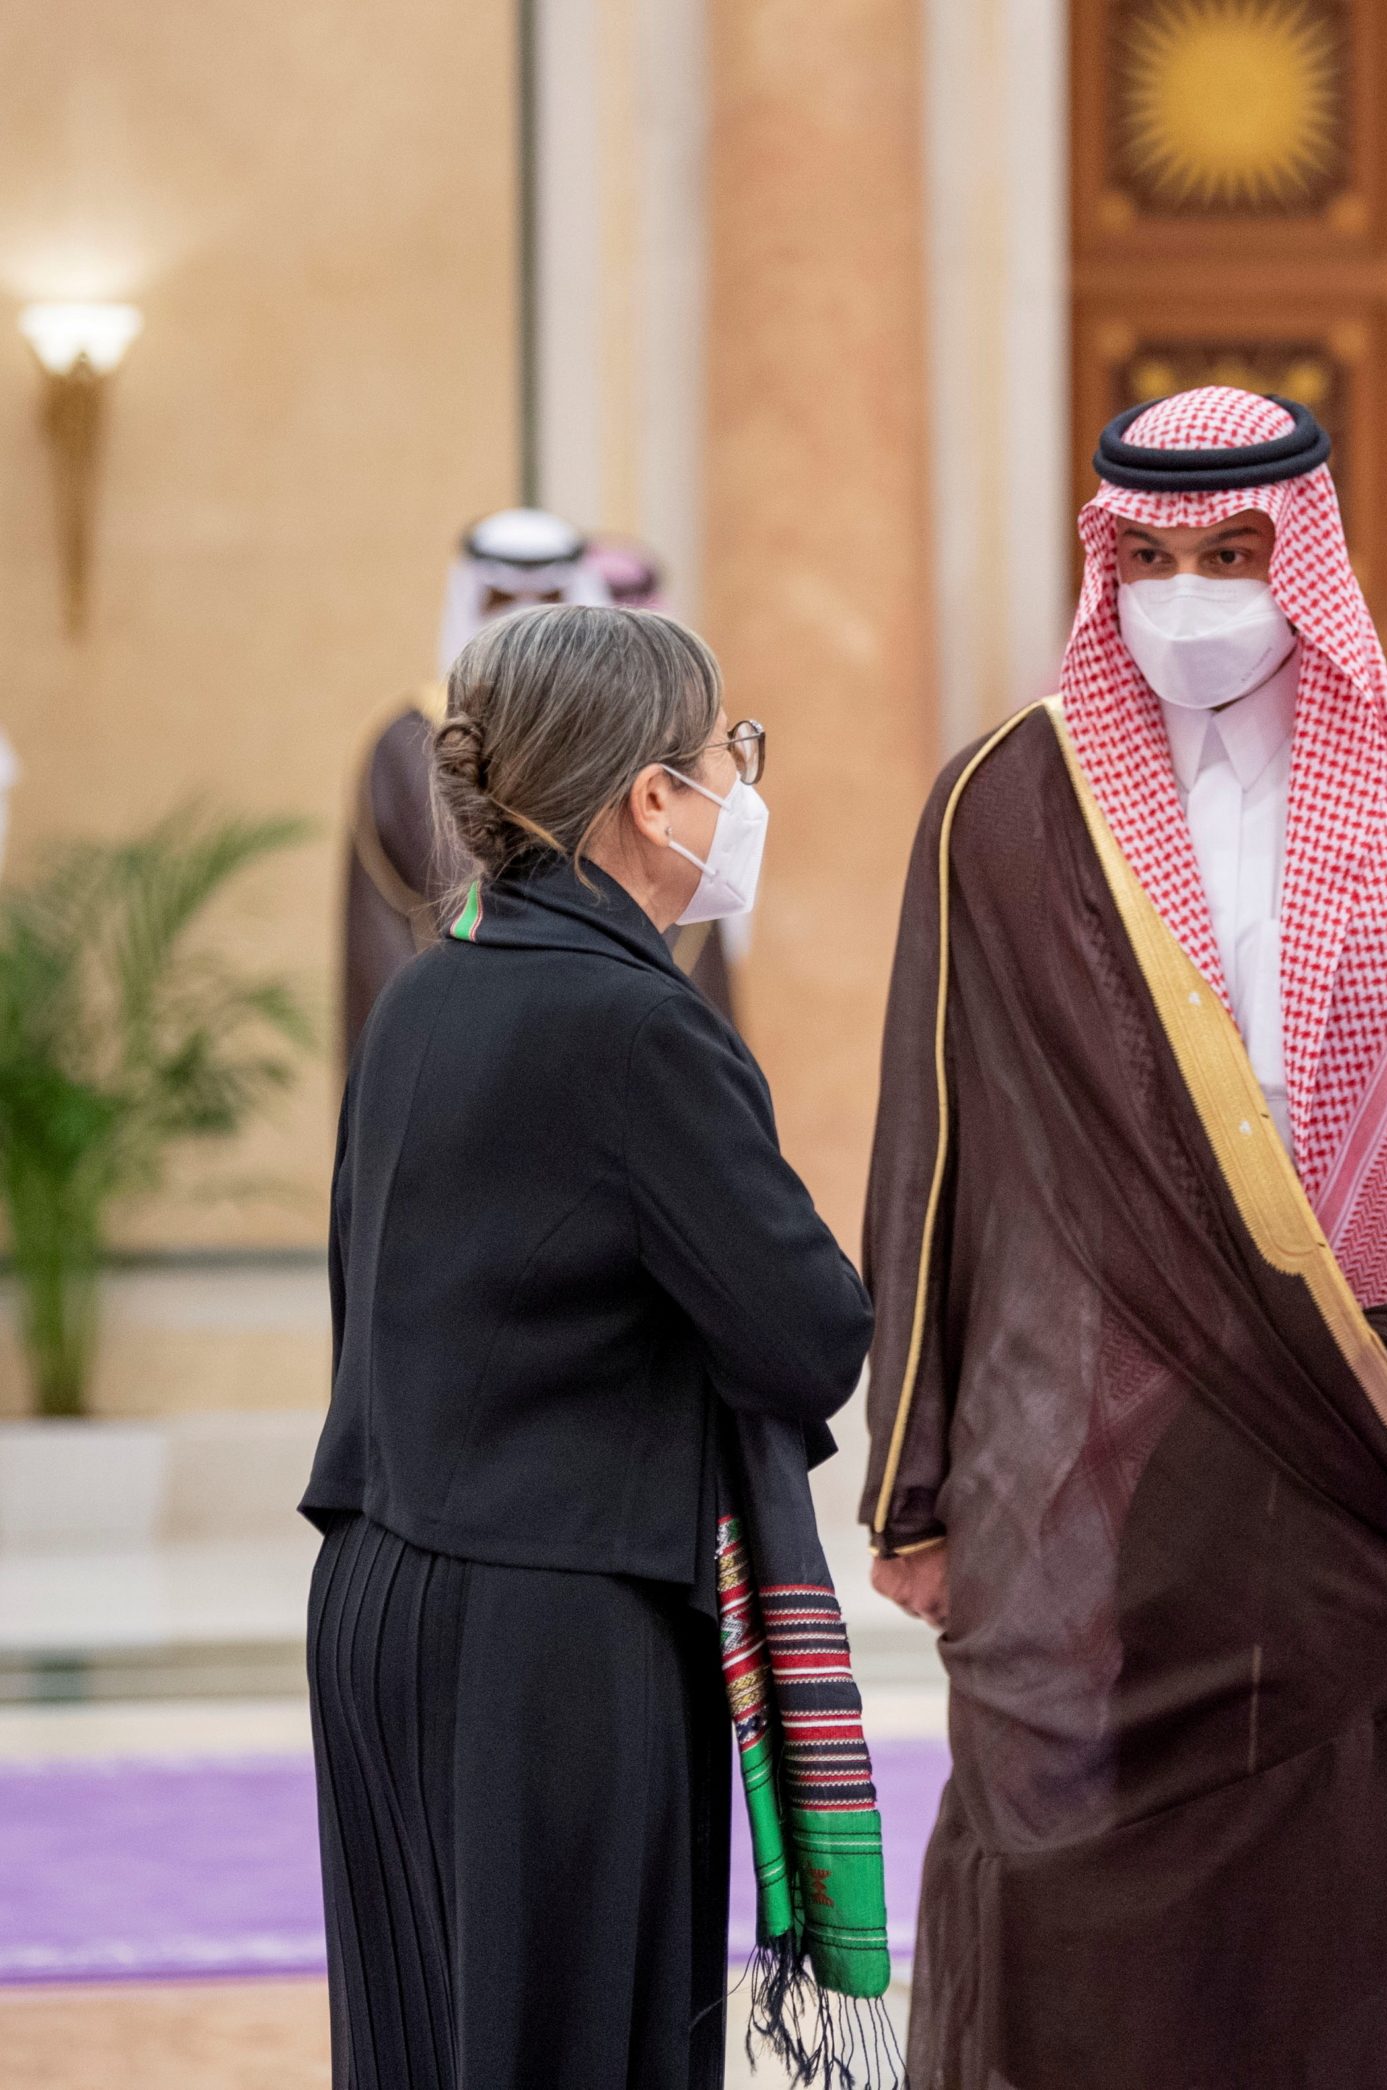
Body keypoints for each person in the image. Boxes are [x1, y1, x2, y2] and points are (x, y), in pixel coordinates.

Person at [862, 386, 1387, 2089]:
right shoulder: (1008, 802)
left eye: (1232, 552)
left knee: (1374, 1942)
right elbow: (942, 1153)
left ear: (1309, 554)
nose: (1187, 595)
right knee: (1082, 1942)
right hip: (1097, 1497)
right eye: (1149, 556)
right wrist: (920, 1484)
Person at [302, 605, 878, 2089]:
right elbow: (810, 1332)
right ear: (651, 797)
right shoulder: (640, 1026)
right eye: (728, 755)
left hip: (377, 1592)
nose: (741, 790)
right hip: (551, 1632)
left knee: (422, 2050)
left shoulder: (427, 990)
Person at [341, 511, 736, 1060]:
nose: (524, 618)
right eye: (501, 599)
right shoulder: (410, 742)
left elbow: (675, 902)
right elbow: (436, 909)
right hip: (461, 1044)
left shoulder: (639, 738)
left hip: (629, 1032)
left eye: (552, 597)